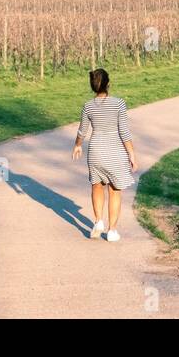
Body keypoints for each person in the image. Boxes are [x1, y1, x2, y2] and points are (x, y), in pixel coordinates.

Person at [71, 68, 137, 242]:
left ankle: (98, 221)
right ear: (108, 84)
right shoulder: (119, 103)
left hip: (95, 151)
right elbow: (124, 131)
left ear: (93, 86)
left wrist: (77, 145)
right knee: (115, 190)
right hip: (114, 152)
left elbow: (82, 131)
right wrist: (131, 154)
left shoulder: (88, 106)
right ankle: (112, 231)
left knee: (96, 185)